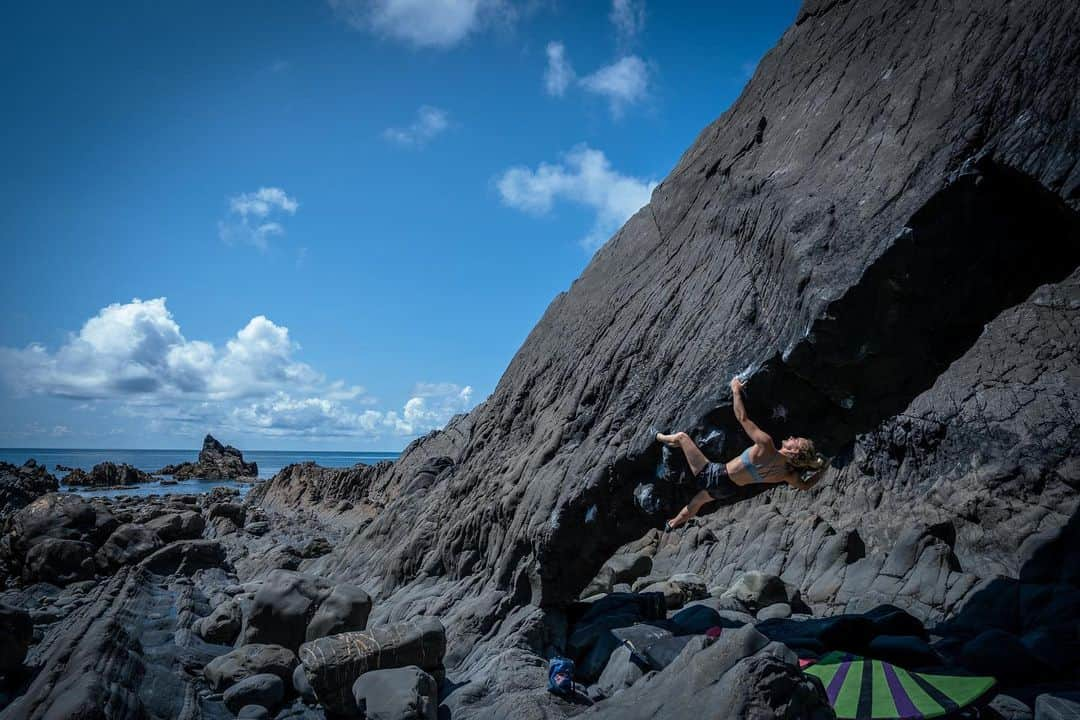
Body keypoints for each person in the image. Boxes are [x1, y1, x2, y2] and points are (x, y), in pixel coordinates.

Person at [657, 376, 829, 531]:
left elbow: (742, 418)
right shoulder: (786, 474)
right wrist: (823, 470)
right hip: (727, 490)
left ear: (794, 450)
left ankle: (658, 436)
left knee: (682, 437)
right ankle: (671, 524)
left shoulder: (767, 445)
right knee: (696, 503)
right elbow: (805, 486)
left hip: (714, 475)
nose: (792, 436)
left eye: (795, 439)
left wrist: (735, 389)